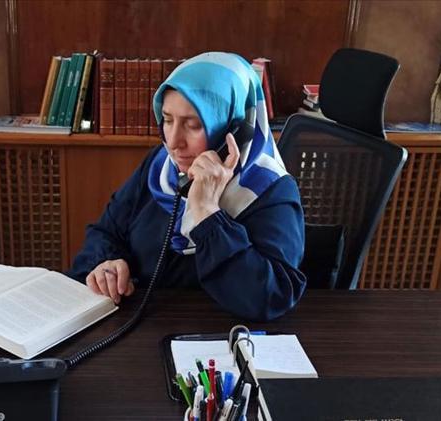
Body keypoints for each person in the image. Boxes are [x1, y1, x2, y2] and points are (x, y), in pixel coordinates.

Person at [67, 52, 306, 321]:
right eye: (168, 120)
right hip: (139, 327)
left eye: (193, 125)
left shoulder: (271, 191)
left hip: (216, 336)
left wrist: (206, 212)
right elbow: (105, 231)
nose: (173, 142)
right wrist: (106, 264)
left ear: (235, 129)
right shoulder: (160, 166)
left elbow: (269, 297)